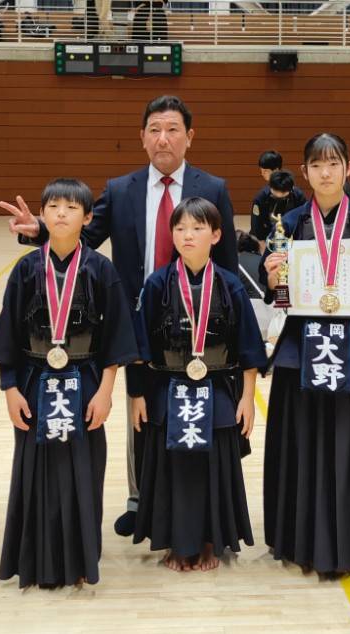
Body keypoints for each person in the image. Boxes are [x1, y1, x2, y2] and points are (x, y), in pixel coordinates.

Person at [5, 94, 239, 539]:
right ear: (142, 137)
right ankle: (139, 498)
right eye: (154, 130)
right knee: (140, 408)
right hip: (139, 317)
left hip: (199, 319)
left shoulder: (213, 189)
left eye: (172, 129)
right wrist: (40, 230)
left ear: (190, 137)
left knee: (193, 405)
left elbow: (225, 261)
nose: (163, 138)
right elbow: (85, 236)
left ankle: (194, 503)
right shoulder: (120, 189)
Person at [0, 179, 139, 588]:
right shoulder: (26, 269)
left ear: (88, 218)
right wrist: (10, 389)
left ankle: (81, 559)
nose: (60, 213)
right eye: (53, 206)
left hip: (85, 379)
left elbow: (116, 338)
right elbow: (8, 335)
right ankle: (34, 559)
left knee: (83, 471)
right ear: (42, 215)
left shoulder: (101, 270)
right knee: (33, 470)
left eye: (71, 208)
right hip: (34, 381)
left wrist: (106, 392)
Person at [260, 133, 350, 576]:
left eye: (333, 163)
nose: (325, 173)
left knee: (349, 448)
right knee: (300, 445)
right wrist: (272, 276)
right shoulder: (287, 225)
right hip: (300, 350)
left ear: (348, 168)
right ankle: (298, 540)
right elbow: (274, 294)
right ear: (304, 172)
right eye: (316, 165)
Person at [129, 197, 266, 571]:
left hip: (217, 388)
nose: (188, 235)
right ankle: (176, 542)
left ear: (216, 235)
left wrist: (247, 399)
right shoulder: (157, 284)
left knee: (212, 466)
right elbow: (139, 349)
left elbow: (249, 349)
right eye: (180, 228)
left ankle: (209, 541)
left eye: (197, 227)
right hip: (167, 388)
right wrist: (137, 395)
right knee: (172, 467)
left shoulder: (230, 285)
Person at [249, 169, 308, 243]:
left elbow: (304, 219)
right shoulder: (261, 197)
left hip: (291, 233)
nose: (279, 195)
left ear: (291, 188)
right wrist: (260, 241)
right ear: (270, 186)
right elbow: (256, 223)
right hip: (267, 233)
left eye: (283, 193)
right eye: (276, 192)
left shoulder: (298, 196)